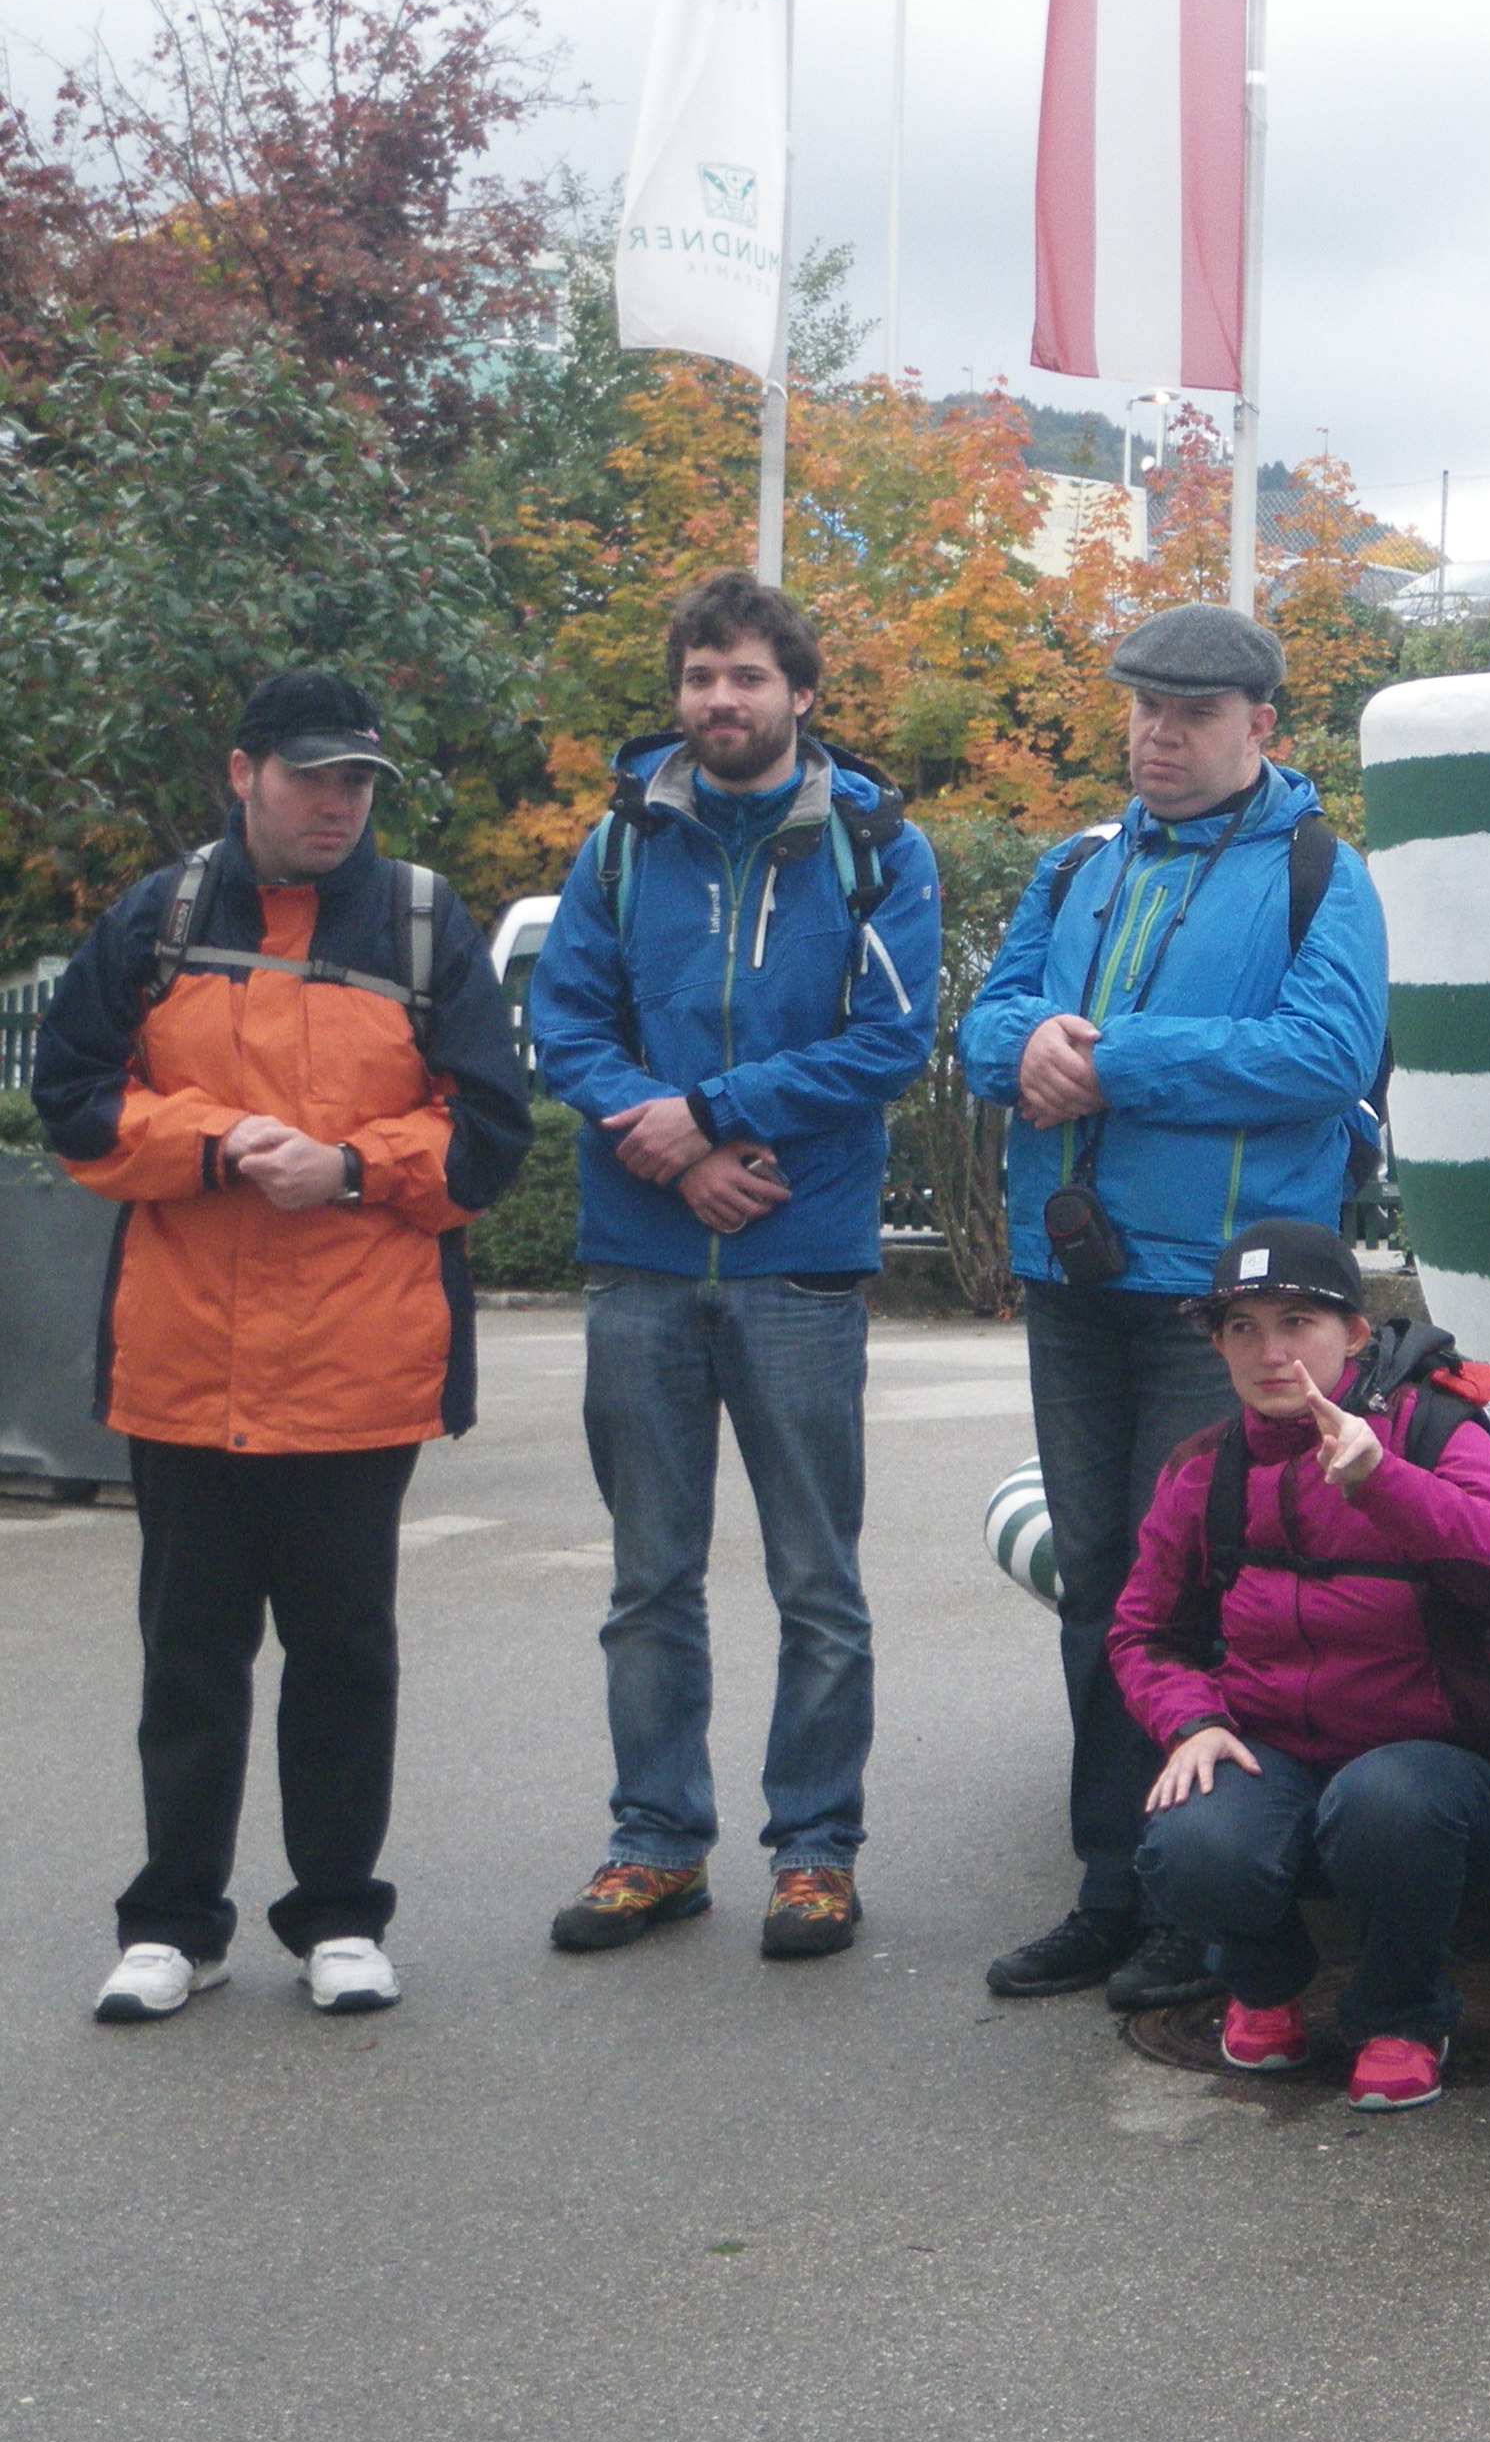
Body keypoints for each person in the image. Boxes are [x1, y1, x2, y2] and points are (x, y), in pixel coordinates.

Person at [30, 669, 530, 2024]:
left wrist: (349, 1169)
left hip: (358, 1370)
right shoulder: (159, 916)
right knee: (188, 1658)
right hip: (185, 1362)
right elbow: (69, 1096)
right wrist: (210, 1144)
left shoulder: (423, 921)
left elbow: (490, 1137)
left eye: (358, 780)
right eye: (313, 775)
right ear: (242, 773)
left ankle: (340, 1919)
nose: (338, 802)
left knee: (343, 1658)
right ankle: (172, 1926)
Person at [956, 605, 1389, 2010]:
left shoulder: (1321, 872)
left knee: (1200, 1595)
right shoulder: (1075, 863)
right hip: (1074, 1287)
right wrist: (1025, 1042)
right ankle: (1113, 1887)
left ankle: (1199, 1902)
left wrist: (1112, 1060)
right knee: (1101, 1592)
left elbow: (1326, 1056)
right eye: (1144, 706)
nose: (1158, 733)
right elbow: (981, 1027)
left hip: (1221, 1310)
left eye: (1192, 714)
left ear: (1259, 725)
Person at [524, 574, 942, 1962]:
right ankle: (656, 1845)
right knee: (649, 1583)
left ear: (799, 693)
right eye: (702, 675)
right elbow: (566, 1025)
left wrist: (709, 1113)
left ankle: (815, 1853)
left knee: (816, 1582)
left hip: (799, 1264)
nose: (722, 698)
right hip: (640, 1260)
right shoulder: (620, 843)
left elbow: (888, 1041)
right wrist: (674, 1149)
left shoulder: (878, 847)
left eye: (749, 675)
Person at [1110, 1220, 1490, 2107]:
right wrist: (1190, 1720)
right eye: (1243, 1328)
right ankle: (1262, 1983)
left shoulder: (1433, 1431)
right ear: (1217, 1345)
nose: (1271, 1352)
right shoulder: (1202, 1467)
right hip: (1272, 1749)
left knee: (1387, 1805)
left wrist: (1384, 1481)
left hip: (1436, 1769)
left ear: (1353, 1333)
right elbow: (1144, 1633)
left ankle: (1405, 2013)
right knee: (1191, 1833)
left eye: (1298, 1323)